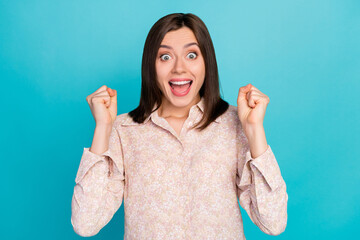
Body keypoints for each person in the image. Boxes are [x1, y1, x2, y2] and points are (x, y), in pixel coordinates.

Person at [71, 13, 288, 239]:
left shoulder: (233, 123)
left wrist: (254, 130)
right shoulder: (123, 130)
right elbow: (86, 224)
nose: (179, 69)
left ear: (207, 62)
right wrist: (103, 128)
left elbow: (273, 222)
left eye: (191, 55)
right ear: (150, 66)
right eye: (165, 57)